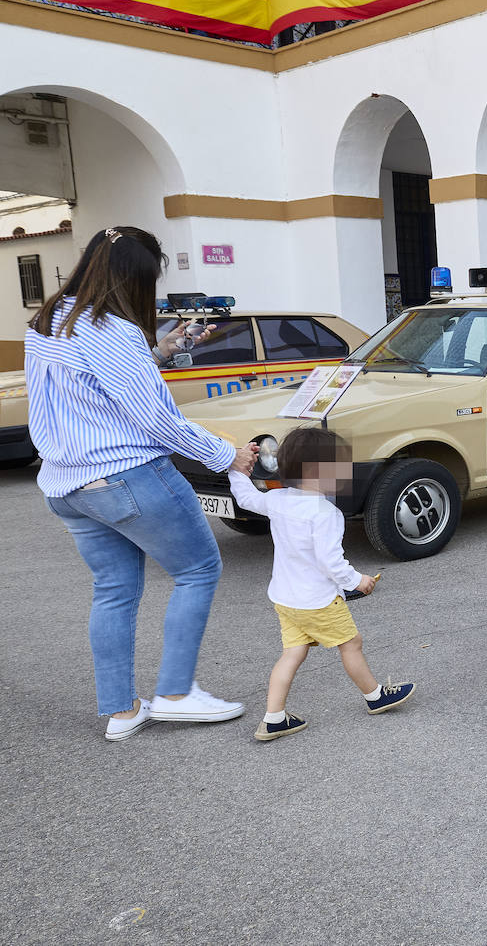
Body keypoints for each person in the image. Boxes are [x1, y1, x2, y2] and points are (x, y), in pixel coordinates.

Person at [26, 225, 258, 740]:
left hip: (66, 485)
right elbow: (155, 418)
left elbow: (93, 387)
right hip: (126, 476)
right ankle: (176, 694)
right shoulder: (114, 331)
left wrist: (161, 350)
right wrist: (228, 456)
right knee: (197, 568)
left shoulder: (49, 321)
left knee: (113, 590)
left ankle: (122, 710)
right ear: (135, 278)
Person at [228, 426, 414, 741]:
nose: (344, 471)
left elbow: (245, 497)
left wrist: (236, 468)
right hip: (318, 601)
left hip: (286, 599)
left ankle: (273, 718)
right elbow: (331, 562)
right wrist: (359, 581)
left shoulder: (277, 499)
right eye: (338, 465)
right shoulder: (325, 513)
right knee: (351, 644)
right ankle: (375, 696)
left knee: (292, 653)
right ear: (317, 471)